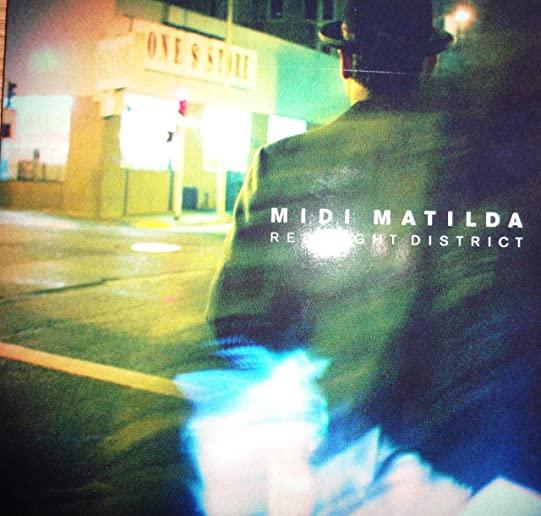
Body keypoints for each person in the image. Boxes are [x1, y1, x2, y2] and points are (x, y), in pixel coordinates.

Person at [198, 0, 541, 510]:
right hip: (457, 478)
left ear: (345, 61)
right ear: (429, 62)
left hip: (330, 468)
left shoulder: (283, 165)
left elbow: (237, 325)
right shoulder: (485, 177)